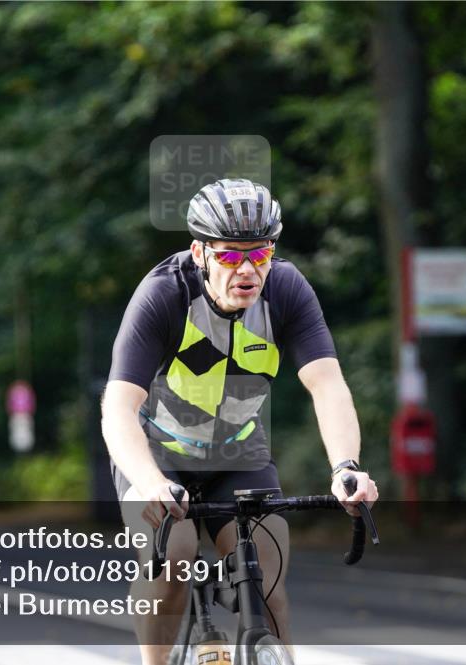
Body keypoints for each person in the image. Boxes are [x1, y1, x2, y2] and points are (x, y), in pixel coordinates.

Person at [101, 178, 379, 665]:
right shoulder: (164, 295)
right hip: (158, 455)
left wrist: (345, 467)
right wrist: (148, 483)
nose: (248, 270)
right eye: (230, 256)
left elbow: (328, 385)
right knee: (173, 561)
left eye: (260, 253)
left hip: (238, 450)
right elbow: (117, 406)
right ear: (200, 253)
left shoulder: (287, 290)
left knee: (268, 584)